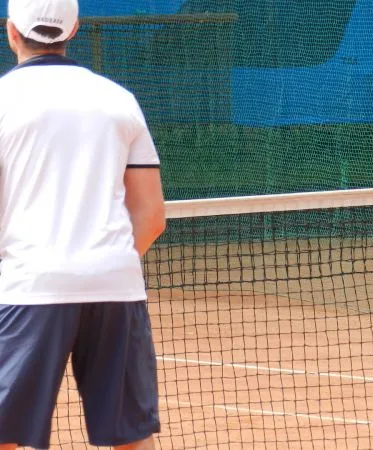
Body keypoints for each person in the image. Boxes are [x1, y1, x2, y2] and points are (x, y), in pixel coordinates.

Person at [0, 0, 166, 448]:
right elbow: (151, 215)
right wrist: (104, 261)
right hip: (116, 285)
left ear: (11, 32)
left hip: (29, 287)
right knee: (131, 437)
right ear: (74, 30)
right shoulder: (119, 100)